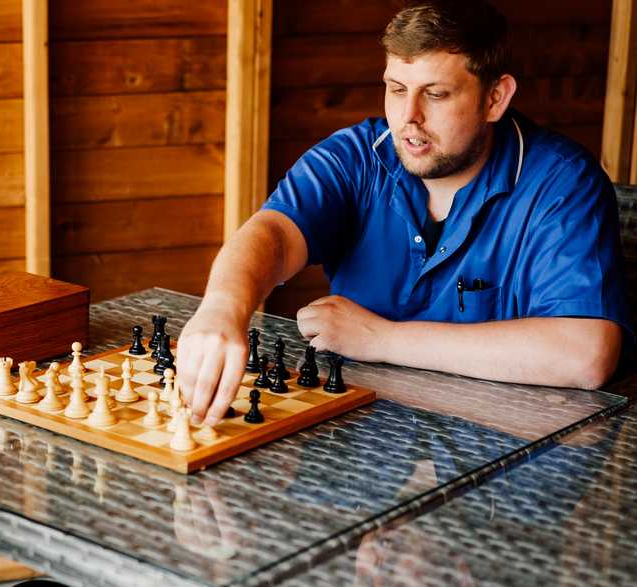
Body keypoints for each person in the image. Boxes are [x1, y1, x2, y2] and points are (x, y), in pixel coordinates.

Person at [177, 0, 629, 427]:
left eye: (435, 94)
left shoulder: (563, 181)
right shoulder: (355, 155)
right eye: (396, 89)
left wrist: (382, 339)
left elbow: (585, 354)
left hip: (504, 462)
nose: (408, 117)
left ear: (495, 98)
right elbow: (273, 232)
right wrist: (222, 306)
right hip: (362, 440)